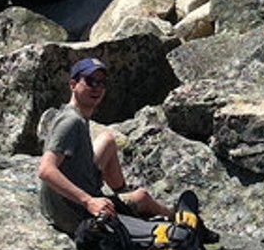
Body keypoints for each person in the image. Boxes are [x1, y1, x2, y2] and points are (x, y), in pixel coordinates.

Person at [37, 57, 173, 235]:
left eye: (102, 83)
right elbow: (46, 170)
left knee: (107, 141)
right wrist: (89, 201)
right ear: (73, 84)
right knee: (142, 197)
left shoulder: (74, 115)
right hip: (72, 213)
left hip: (65, 199)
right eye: (91, 81)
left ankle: (121, 193)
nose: (98, 88)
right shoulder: (71, 122)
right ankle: (175, 216)